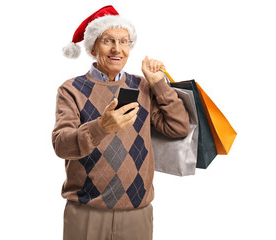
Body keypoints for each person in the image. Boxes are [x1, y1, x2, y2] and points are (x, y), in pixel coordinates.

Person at [52, 5, 190, 240]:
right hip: (86, 212)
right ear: (93, 46)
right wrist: (102, 127)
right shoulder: (71, 89)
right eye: (108, 41)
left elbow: (178, 128)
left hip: (137, 214)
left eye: (124, 41)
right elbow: (61, 145)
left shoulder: (143, 86)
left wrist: (159, 84)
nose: (117, 49)